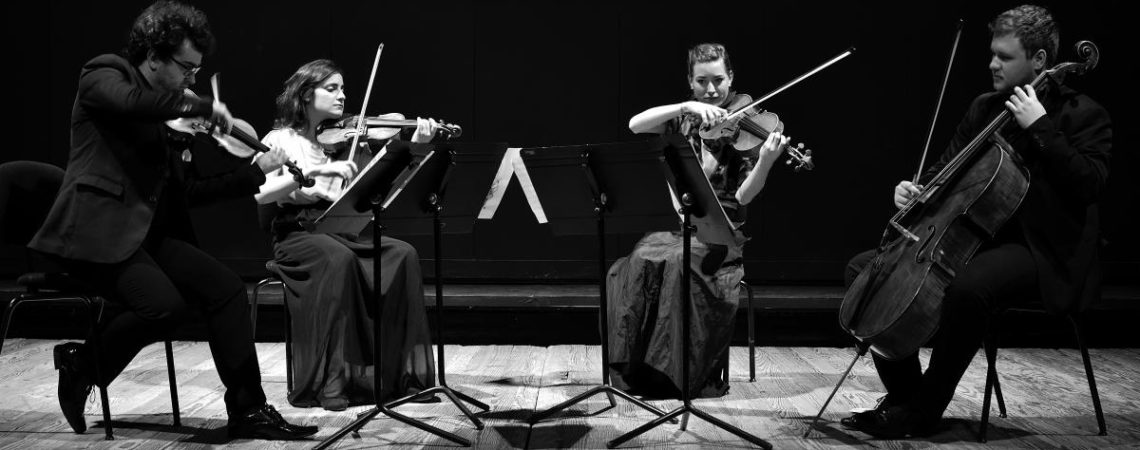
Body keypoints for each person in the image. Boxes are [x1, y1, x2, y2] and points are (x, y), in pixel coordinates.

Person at [28, 0, 317, 440]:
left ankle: (248, 409)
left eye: (197, 72)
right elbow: (129, 102)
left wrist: (251, 175)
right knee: (163, 306)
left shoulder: (172, 116)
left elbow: (189, 193)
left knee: (225, 290)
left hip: (148, 235)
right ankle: (81, 363)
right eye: (185, 68)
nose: (191, 79)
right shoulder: (104, 73)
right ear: (153, 56)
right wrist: (196, 106)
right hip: (94, 234)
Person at [841, 5, 1112, 438]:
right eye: (992, 54)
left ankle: (925, 410)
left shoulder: (1082, 115)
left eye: (1004, 56)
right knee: (865, 269)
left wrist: (1040, 127)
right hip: (974, 241)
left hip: (1044, 251)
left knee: (970, 290)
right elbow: (944, 172)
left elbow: (1089, 185)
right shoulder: (986, 108)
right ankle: (907, 398)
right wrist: (913, 191)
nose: (992, 64)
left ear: (1039, 60)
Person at [254, 59, 441, 411]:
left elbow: (376, 198)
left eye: (343, 88)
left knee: (402, 253)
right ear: (306, 94)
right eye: (332, 88)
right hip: (296, 234)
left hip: (339, 230)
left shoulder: (347, 144)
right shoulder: (279, 140)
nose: (343, 96)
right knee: (337, 259)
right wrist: (309, 177)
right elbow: (264, 194)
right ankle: (332, 380)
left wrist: (415, 147)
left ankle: (396, 378)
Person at [610, 43, 789, 398]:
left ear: (731, 78)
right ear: (690, 83)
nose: (711, 90)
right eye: (701, 82)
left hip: (724, 234)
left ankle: (678, 375)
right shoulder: (683, 119)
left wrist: (767, 161)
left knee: (678, 263)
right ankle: (640, 373)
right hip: (685, 228)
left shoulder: (748, 128)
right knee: (636, 260)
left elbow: (742, 198)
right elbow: (634, 125)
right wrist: (683, 107)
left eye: (719, 80)